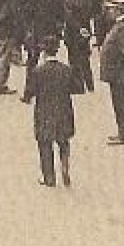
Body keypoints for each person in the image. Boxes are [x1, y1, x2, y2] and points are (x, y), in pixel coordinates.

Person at [23, 35, 76, 187]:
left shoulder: (38, 71)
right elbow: (75, 87)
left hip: (44, 112)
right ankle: (65, 167)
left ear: (44, 52)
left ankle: (49, 177)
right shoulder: (66, 70)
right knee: (63, 141)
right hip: (64, 110)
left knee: (44, 144)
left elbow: (29, 93)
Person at [99, 0, 124, 145]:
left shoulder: (123, 27)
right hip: (118, 73)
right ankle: (122, 131)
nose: (109, 11)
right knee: (119, 103)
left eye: (111, 9)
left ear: (118, 10)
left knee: (121, 103)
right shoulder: (122, 24)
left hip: (119, 74)